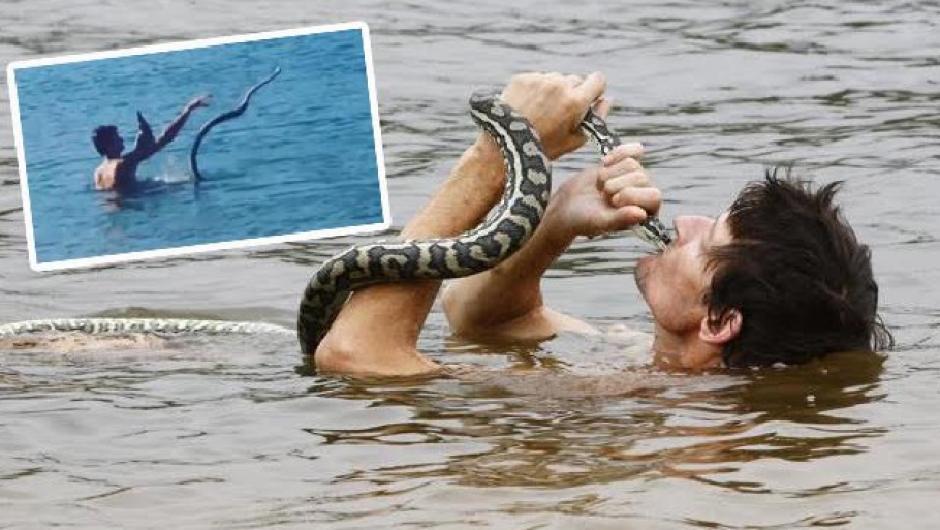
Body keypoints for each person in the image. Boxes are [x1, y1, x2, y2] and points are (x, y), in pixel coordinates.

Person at [309, 72, 892, 377]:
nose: (682, 221)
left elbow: (354, 356)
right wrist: (556, 217)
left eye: (707, 239)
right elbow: (481, 320)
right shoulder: (640, 358)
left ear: (720, 321)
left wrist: (496, 158)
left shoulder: (653, 415)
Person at [92, 95, 211, 191]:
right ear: (108, 145)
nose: (122, 140)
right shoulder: (123, 164)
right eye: (117, 138)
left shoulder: (98, 172)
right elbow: (165, 139)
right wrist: (187, 110)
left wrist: (141, 146)